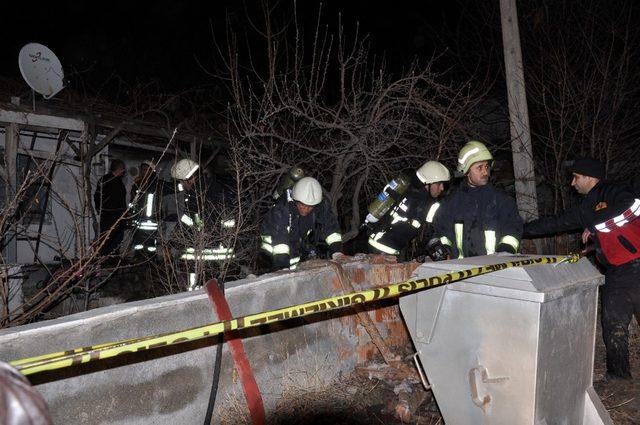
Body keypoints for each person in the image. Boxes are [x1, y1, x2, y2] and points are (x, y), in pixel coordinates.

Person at [524, 157, 640, 380]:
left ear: (588, 176)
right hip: (616, 271)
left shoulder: (614, 190)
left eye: (576, 177)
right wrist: (519, 230)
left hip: (636, 262)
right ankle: (618, 376)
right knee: (612, 321)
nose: (572, 183)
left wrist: (597, 226)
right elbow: (555, 222)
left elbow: (633, 206)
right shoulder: (586, 207)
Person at [433, 141, 523, 258]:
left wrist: (506, 249)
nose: (485, 172)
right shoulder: (450, 204)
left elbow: (513, 228)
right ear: (465, 171)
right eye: (479, 168)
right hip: (461, 271)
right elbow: (441, 231)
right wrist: (442, 248)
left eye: (486, 166)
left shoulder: (501, 201)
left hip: (494, 270)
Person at [163, 159, 235, 290]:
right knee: (217, 289)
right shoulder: (210, 188)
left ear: (189, 179)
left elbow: (194, 223)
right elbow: (191, 221)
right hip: (220, 249)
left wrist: (172, 242)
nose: (182, 185)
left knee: (200, 289)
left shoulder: (201, 195)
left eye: (181, 181)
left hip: (208, 251)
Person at [367, 161, 450, 259]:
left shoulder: (411, 191)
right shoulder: (422, 201)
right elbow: (426, 232)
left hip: (381, 246)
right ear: (429, 182)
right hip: (383, 251)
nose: (442, 188)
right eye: (439, 184)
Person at [260, 177, 343, 270]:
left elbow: (331, 228)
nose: (306, 209)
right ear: (295, 200)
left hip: (296, 253)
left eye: (310, 207)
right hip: (270, 256)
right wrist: (282, 268)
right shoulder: (281, 210)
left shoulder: (320, 206)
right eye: (302, 205)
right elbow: (280, 240)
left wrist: (337, 253)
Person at [93, 159, 127, 256]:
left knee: (106, 238)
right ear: (119, 169)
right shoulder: (115, 182)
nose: (124, 171)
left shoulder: (104, 179)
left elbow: (97, 196)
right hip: (114, 215)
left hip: (106, 215)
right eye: (123, 169)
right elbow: (120, 201)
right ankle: (111, 259)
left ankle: (105, 258)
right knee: (113, 239)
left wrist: (99, 209)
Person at [130, 160, 161, 253]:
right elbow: (133, 200)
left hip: (153, 219)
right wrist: (132, 213)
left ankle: (151, 261)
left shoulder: (158, 184)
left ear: (152, 171)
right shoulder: (137, 184)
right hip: (139, 218)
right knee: (138, 242)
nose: (144, 172)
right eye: (143, 169)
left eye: (147, 170)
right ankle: (138, 257)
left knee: (151, 244)